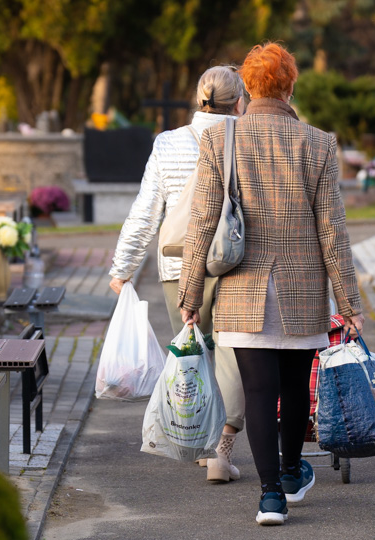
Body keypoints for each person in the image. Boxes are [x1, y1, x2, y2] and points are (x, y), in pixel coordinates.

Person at [178, 42, 364, 525]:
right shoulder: (318, 143)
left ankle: (269, 499)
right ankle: (289, 473)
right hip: (303, 287)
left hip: (243, 288)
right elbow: (333, 230)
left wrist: (190, 295)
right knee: (295, 387)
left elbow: (201, 223)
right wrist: (349, 301)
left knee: (258, 392)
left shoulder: (220, 141)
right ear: (290, 85)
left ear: (246, 90)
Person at [108, 66, 246, 483]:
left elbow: (145, 212)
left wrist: (123, 267)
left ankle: (199, 443)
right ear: (239, 101)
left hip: (178, 265)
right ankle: (221, 450)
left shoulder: (167, 143)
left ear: (198, 99)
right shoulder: (247, 139)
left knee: (195, 354)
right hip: (237, 262)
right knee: (234, 357)